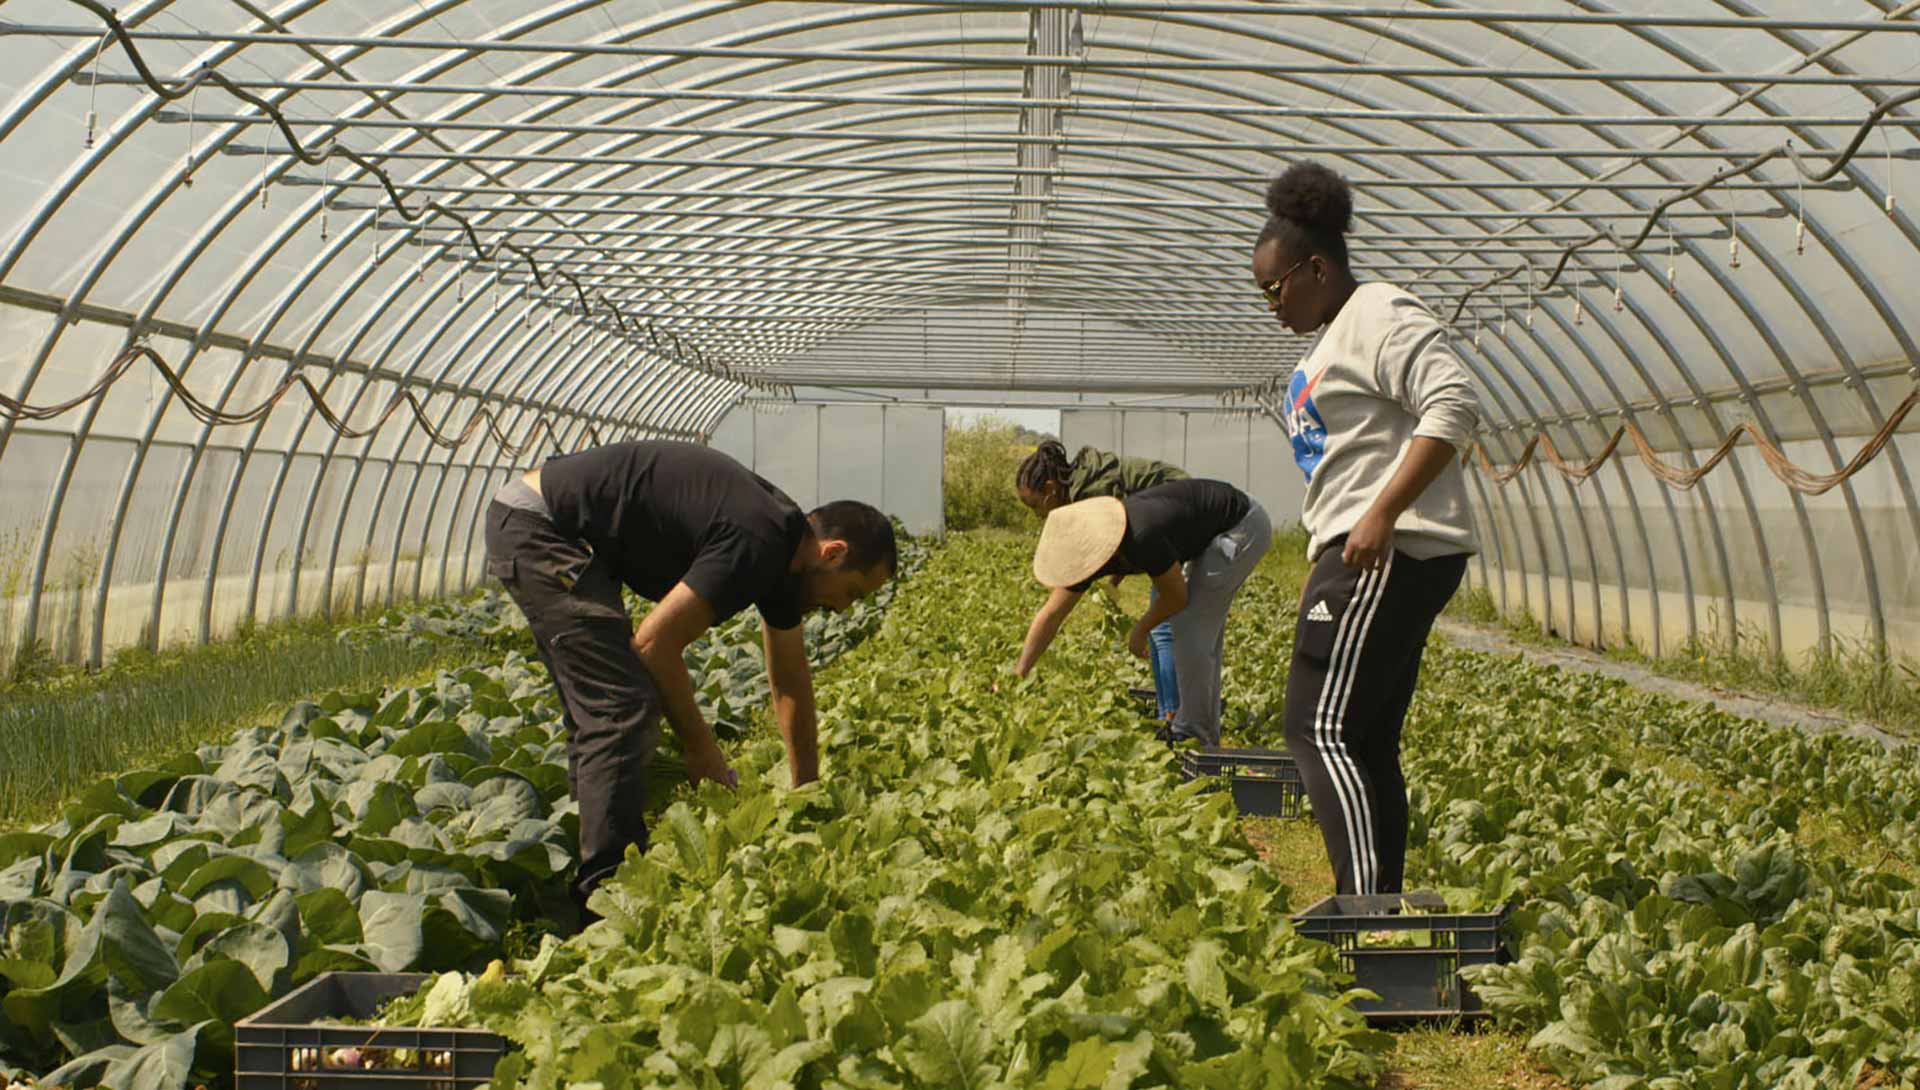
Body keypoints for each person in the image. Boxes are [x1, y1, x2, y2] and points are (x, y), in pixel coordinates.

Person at [482, 440, 897, 912]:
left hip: (560, 528)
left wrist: (807, 795)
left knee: (606, 703)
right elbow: (655, 643)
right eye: (854, 593)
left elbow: (790, 681)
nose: (843, 609)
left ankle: (591, 869)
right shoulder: (759, 538)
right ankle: (605, 903)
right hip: (542, 525)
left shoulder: (787, 560)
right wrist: (703, 751)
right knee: (620, 707)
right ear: (833, 553)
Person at [1254, 160, 1481, 898]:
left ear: (1315, 268)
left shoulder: (1380, 313)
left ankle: (1366, 906)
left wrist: (1379, 515)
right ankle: (1380, 900)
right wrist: (1323, 560)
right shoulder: (1327, 341)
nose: (1271, 303)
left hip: (1390, 546)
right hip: (1356, 548)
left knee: (1315, 729)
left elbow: (1453, 404)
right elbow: (1342, 466)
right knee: (1364, 736)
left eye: (1275, 286)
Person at [1015, 479, 1272, 746]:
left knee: (1189, 625)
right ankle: (1198, 727)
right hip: (1215, 527)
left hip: (1241, 525)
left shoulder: (1142, 535)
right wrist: (1019, 673)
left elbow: (1176, 597)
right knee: (1199, 631)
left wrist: (1140, 629)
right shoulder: (1088, 551)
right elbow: (1052, 614)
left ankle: (1194, 733)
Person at [1015, 440, 1189, 720]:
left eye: (1035, 506)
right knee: (1160, 628)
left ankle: (1176, 720)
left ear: (1049, 490)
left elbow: (1055, 610)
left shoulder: (1091, 498)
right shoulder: (1082, 489)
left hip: (1185, 522)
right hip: (1168, 525)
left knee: (1163, 628)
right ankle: (1170, 715)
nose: (1039, 516)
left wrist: (1018, 673)